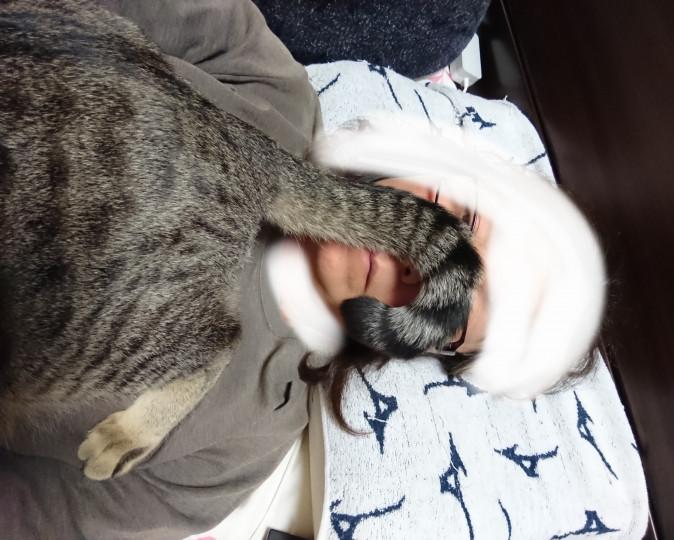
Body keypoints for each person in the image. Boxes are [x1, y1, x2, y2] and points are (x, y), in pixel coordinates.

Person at [0, 2, 492, 539]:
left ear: (433, 349)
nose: (416, 271)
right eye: (464, 218)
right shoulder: (275, 87)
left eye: (460, 317)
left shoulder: (243, 447)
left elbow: (36, 519)